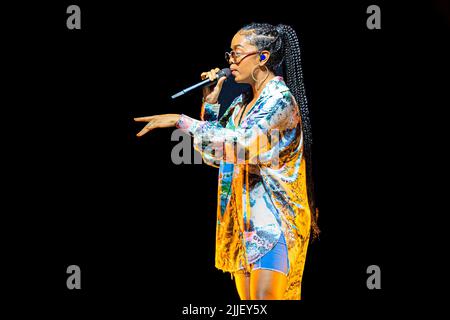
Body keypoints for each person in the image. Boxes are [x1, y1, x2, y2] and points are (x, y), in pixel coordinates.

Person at [134, 23, 319, 300]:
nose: (230, 60)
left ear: (263, 57)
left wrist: (180, 120)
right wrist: (210, 105)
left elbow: (240, 144)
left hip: (273, 222)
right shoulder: (241, 106)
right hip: (242, 225)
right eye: (229, 54)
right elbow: (215, 154)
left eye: (237, 53)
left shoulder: (279, 102)